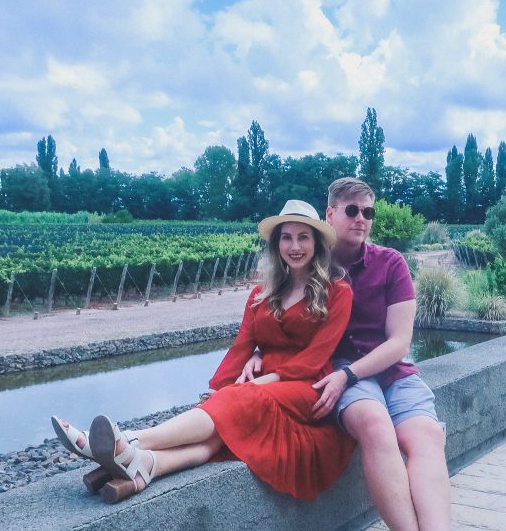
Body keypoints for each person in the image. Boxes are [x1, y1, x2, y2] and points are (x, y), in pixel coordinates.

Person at [51, 200, 356, 504]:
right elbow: (243, 345)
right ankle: (147, 464)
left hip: (307, 387)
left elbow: (314, 358)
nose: (295, 246)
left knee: (239, 399)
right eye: (286, 237)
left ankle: (129, 439)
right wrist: (218, 387)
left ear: (316, 243)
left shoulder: (338, 292)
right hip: (264, 381)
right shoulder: (260, 294)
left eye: (303, 237)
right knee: (221, 432)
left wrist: (246, 387)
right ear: (277, 245)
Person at [310, 177, 486, 531]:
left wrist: (351, 373)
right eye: (352, 210)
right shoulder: (310, 264)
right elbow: (275, 312)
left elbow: (399, 343)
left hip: (387, 371)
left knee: (427, 436)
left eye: (368, 212)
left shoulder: (390, 264)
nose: (362, 219)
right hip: (339, 373)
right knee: (374, 426)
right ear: (329, 213)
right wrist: (256, 353)